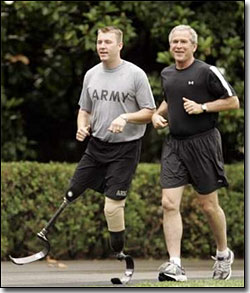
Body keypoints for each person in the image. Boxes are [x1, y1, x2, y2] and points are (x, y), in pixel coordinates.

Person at [152, 24, 240, 282]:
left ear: (194, 46)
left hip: (203, 143)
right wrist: (158, 115)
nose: (178, 46)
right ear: (170, 46)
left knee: (208, 205)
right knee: (168, 203)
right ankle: (175, 265)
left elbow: (233, 101)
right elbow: (169, 99)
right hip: (174, 145)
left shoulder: (206, 71)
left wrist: (203, 107)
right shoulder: (167, 73)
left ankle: (223, 253)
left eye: (183, 42)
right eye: (174, 42)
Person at [65, 26, 156, 263]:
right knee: (71, 193)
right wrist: (81, 126)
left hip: (125, 148)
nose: (102, 46)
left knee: (112, 207)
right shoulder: (91, 74)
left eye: (107, 42)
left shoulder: (136, 75)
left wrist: (125, 117)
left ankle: (119, 252)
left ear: (119, 45)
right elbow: (84, 110)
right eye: (99, 42)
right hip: (96, 146)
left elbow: (150, 112)